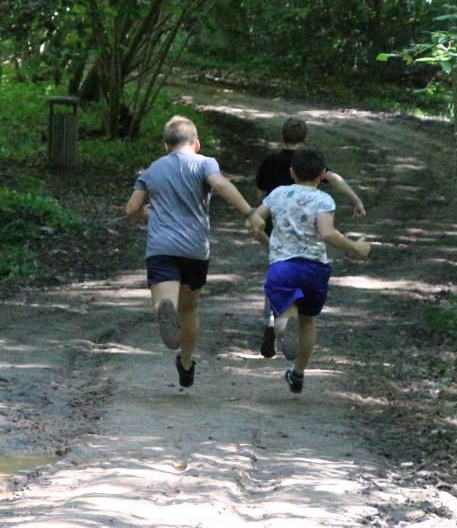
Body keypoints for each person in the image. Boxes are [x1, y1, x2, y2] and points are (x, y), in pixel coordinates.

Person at [125, 116, 255, 389]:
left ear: (166, 145)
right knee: (190, 309)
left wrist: (153, 216)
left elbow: (132, 209)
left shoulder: (152, 170)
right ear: (196, 143)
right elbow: (219, 185)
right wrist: (249, 212)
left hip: (161, 246)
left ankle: (163, 306)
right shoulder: (205, 163)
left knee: (166, 297)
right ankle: (186, 362)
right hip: (195, 248)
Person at [247, 146, 372, 393]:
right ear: (321, 176)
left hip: (282, 267)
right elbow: (326, 233)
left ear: (292, 172)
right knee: (308, 321)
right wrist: (355, 247)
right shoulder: (324, 199)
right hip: (314, 268)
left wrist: (269, 243)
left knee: (284, 311)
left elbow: (252, 222)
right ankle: (298, 373)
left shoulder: (278, 194)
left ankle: (283, 327)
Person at [253, 116, 366, 357]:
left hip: (278, 227)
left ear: (282, 137)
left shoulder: (271, 161)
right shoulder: (312, 163)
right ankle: (290, 324)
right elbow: (334, 178)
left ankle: (273, 320)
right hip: (309, 241)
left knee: (277, 276)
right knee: (302, 284)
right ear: (305, 138)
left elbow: (261, 194)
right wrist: (354, 199)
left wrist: (263, 229)